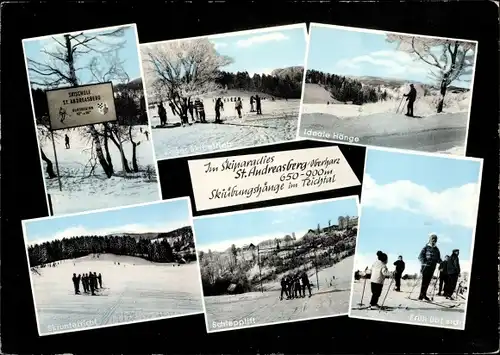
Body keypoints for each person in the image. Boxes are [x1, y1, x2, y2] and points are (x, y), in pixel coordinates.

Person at [418, 233, 442, 301]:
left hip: (432, 267)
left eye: (435, 240)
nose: (433, 241)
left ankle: (424, 295)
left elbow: (438, 258)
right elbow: (420, 256)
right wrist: (424, 261)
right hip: (425, 267)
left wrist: (441, 263)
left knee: (428, 281)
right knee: (424, 281)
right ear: (430, 240)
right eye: (432, 239)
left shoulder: (437, 249)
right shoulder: (425, 248)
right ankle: (421, 295)